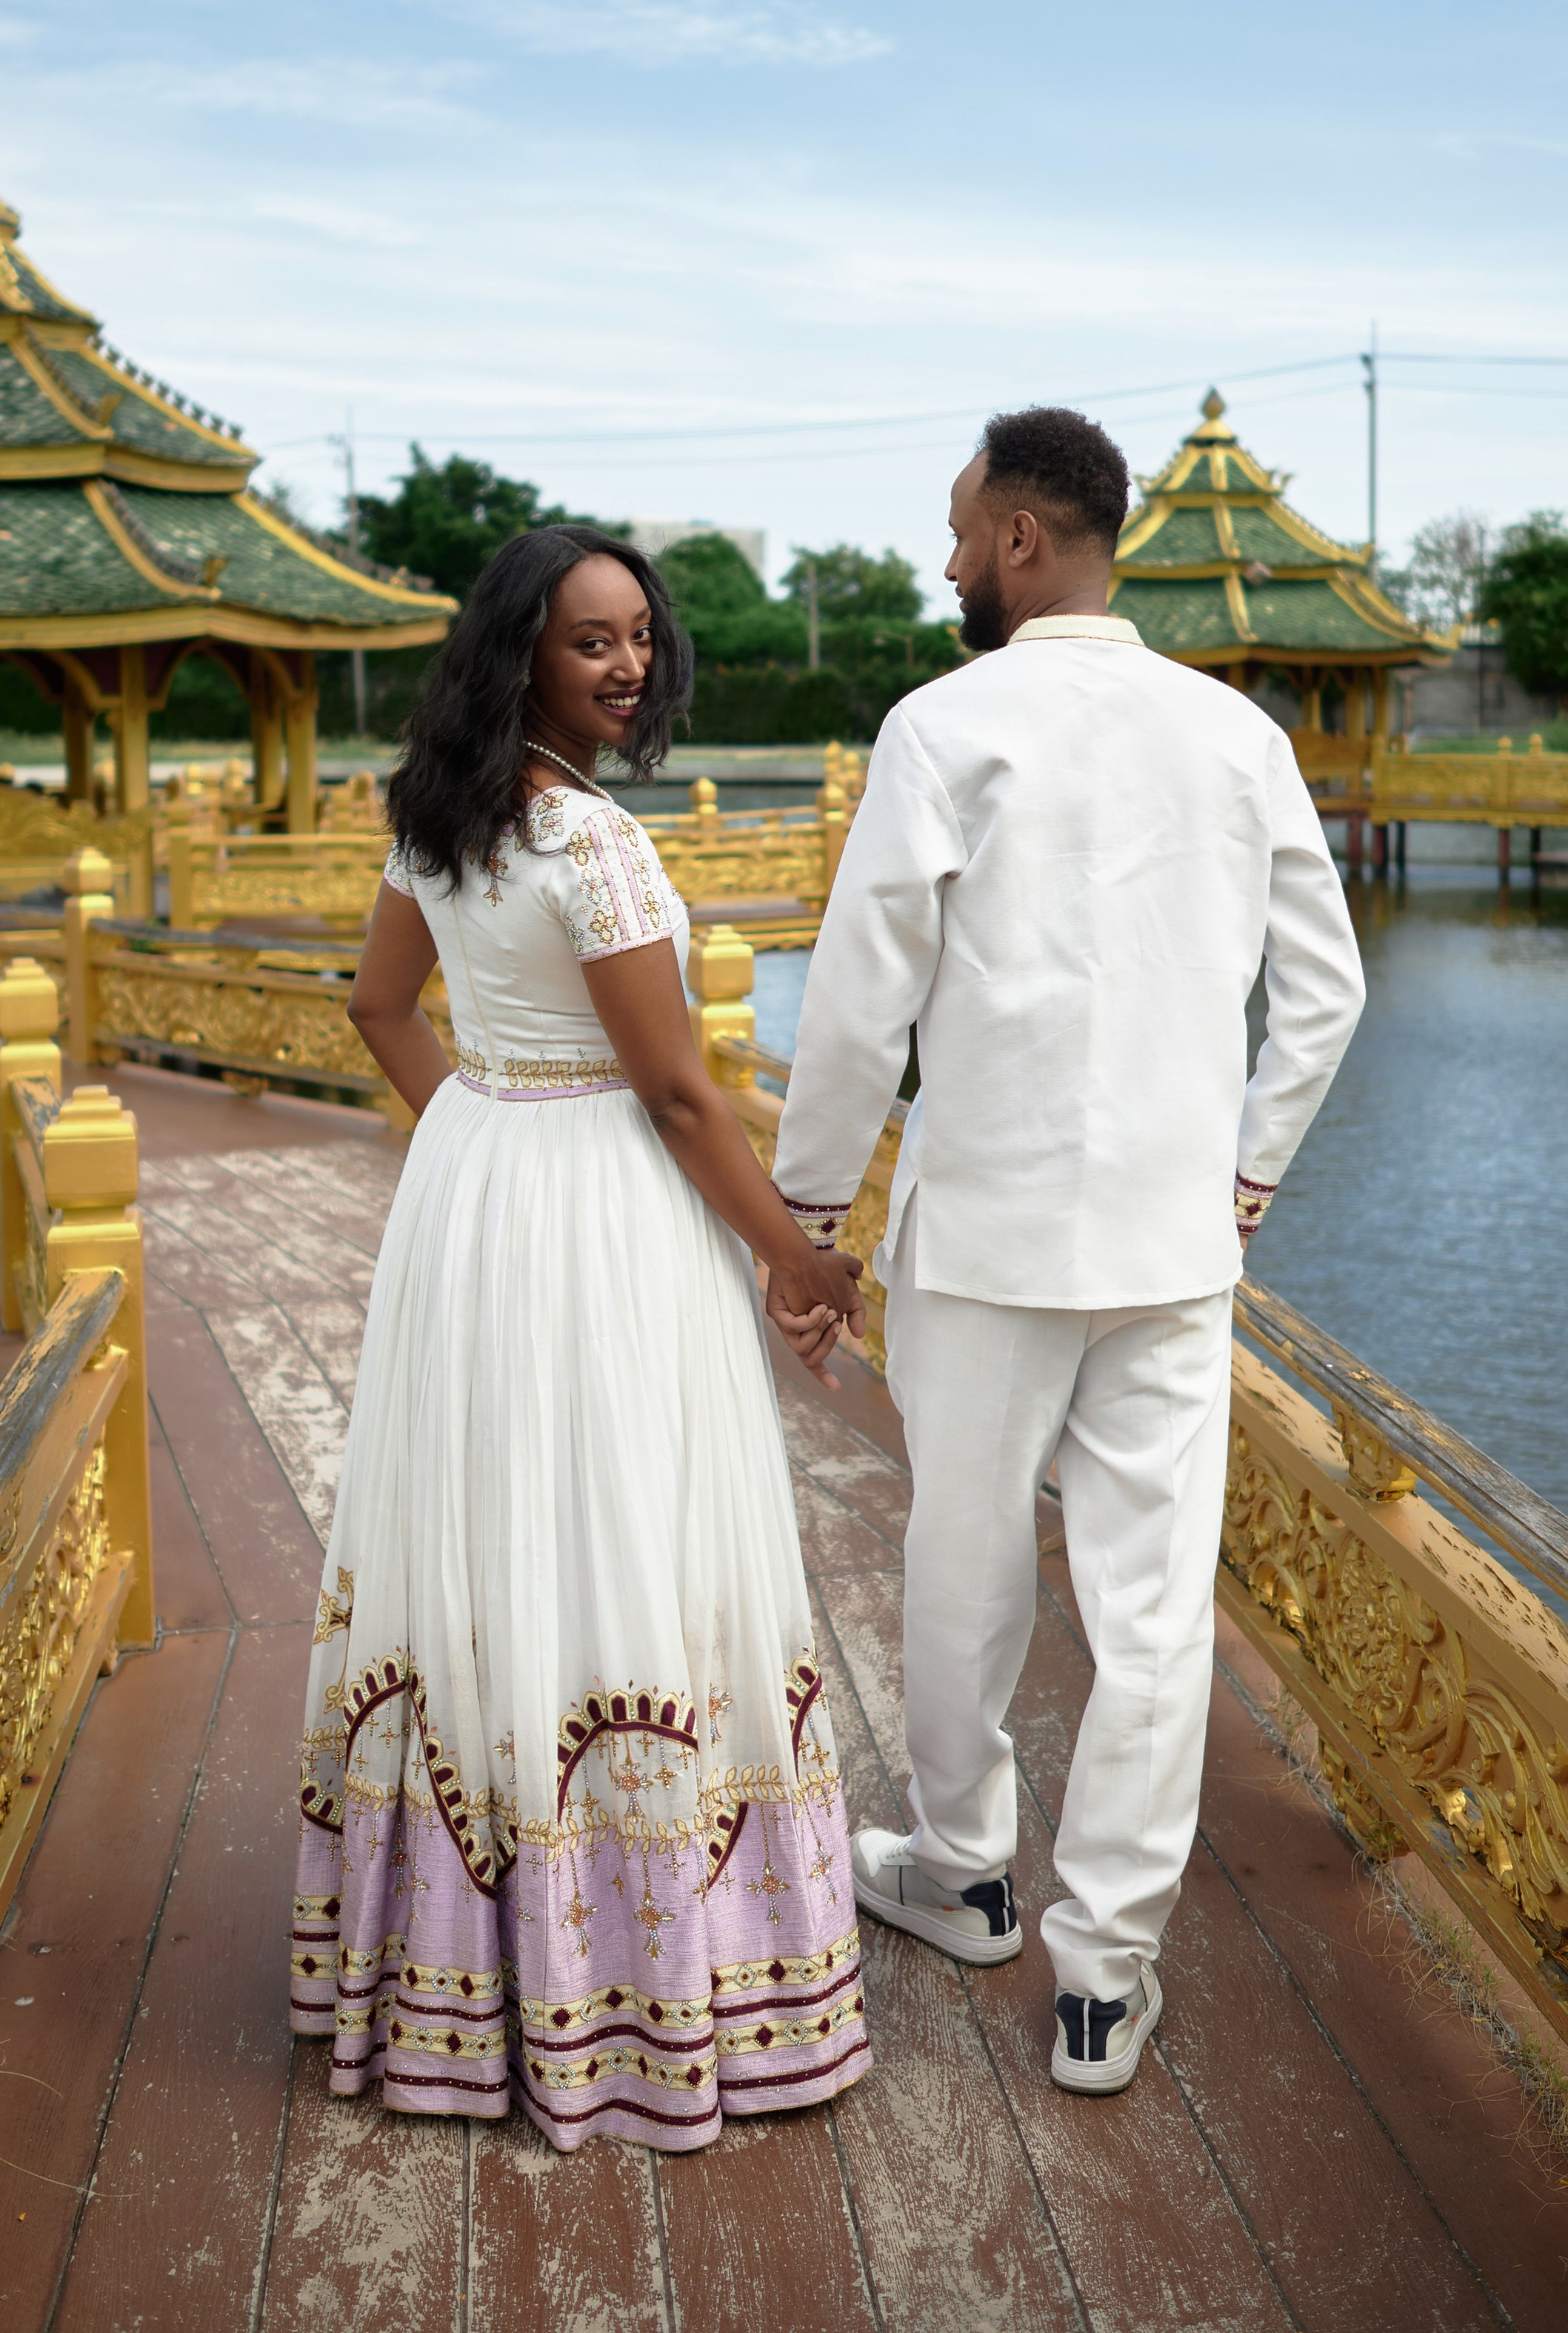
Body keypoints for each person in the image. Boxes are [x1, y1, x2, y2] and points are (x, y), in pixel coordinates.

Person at [765, 407, 1364, 2095]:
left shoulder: (944, 724)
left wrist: (808, 1217)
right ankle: (1102, 1980)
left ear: (1022, 537)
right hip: (1173, 1249)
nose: (948, 559)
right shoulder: (1233, 734)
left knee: (961, 1572)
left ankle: (963, 1876)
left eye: (961, 531)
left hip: (985, 1240)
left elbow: (861, 991)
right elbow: (1321, 994)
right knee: (1154, 1613)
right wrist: (1244, 1176)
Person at [292, 524, 873, 2152]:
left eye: (636, 636)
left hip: (480, 1193)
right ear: (521, 656)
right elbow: (681, 1090)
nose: (624, 665)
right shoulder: (595, 846)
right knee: (622, 1527)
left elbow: (379, 1013)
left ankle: (456, 1975)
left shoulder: (442, 818)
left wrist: (479, 1136)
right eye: (588, 642)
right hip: (604, 1206)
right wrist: (797, 1260)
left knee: (492, 1533)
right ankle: (635, 1986)